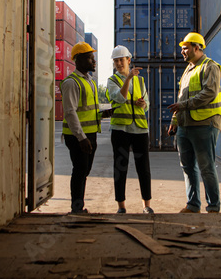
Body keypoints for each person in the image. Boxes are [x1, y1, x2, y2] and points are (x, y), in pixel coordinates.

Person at [168, 32, 221, 213]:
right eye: (182, 48)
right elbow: (180, 97)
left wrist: (183, 106)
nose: (182, 51)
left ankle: (213, 206)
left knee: (206, 166)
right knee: (187, 166)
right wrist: (174, 120)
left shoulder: (210, 67)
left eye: (185, 48)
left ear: (197, 47)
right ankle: (193, 205)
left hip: (204, 124)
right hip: (185, 125)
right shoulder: (188, 70)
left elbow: (209, 93)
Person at [107, 46, 153, 214]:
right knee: (120, 168)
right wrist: (128, 79)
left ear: (129, 60)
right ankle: (121, 206)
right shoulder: (112, 81)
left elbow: (146, 105)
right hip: (120, 130)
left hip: (140, 129)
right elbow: (120, 98)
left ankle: (147, 205)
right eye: (116, 60)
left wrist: (143, 104)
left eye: (122, 59)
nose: (119, 63)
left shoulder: (140, 81)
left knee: (144, 168)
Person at [61, 42, 100, 214]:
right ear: (79, 60)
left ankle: (79, 207)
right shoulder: (71, 83)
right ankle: (76, 209)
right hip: (78, 137)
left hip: (90, 134)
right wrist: (81, 138)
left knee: (84, 171)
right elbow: (70, 112)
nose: (94, 61)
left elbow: (87, 110)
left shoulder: (89, 81)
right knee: (79, 171)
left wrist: (105, 114)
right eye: (90, 58)